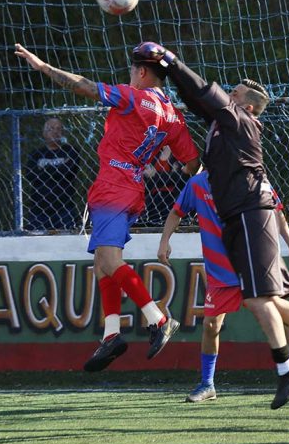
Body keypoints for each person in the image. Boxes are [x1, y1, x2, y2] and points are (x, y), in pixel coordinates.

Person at [133, 41, 289, 409]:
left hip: (252, 213)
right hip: (241, 215)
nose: (226, 94)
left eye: (232, 94)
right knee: (268, 301)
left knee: (257, 298)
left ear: (246, 106)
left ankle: (286, 370)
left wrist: (171, 60)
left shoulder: (241, 121)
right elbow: (198, 98)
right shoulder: (224, 125)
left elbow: (204, 91)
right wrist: (169, 74)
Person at [14, 42, 200, 370]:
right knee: (102, 261)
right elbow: (192, 162)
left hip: (114, 186)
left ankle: (157, 319)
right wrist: (172, 168)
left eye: (132, 71)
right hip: (129, 187)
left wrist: (43, 67)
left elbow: (83, 86)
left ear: (141, 72)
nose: (129, 75)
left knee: (110, 260)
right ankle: (112, 333)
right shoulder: (172, 115)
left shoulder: (132, 96)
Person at [158, 170, 289, 402]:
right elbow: (176, 213)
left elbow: (275, 211)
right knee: (211, 325)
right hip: (220, 272)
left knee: (281, 317)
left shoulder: (250, 175)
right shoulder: (196, 185)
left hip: (252, 263)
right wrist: (164, 241)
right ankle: (207, 384)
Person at [24, 117, 80, 231]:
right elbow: (30, 174)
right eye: (51, 129)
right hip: (38, 209)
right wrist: (58, 169)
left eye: (58, 129)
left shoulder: (70, 151)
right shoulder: (36, 154)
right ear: (44, 133)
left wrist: (43, 170)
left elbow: (68, 171)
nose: (55, 132)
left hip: (64, 207)